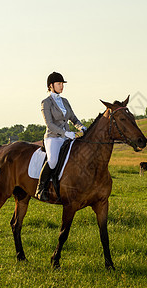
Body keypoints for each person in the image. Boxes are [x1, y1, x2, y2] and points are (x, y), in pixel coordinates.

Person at [35, 72, 86, 201]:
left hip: (67, 137)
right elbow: (50, 124)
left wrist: (82, 127)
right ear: (51, 86)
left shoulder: (65, 101)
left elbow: (73, 118)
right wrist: (65, 133)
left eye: (62, 84)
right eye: (59, 84)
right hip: (53, 137)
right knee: (52, 160)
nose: (62, 86)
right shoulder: (46, 102)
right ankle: (40, 188)